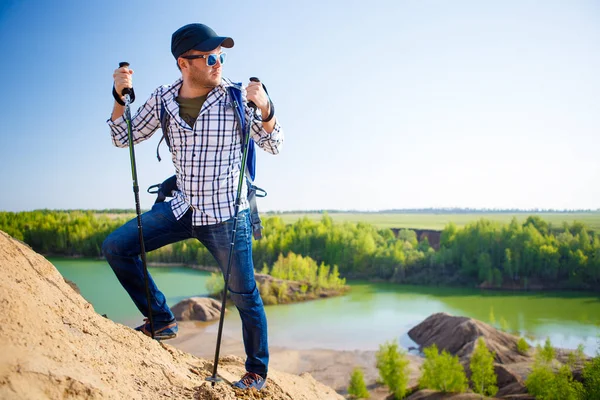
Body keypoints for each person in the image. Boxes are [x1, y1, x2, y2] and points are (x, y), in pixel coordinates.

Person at [102, 23, 283, 391]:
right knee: (116, 247)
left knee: (245, 297)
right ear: (185, 63)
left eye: (221, 56)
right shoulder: (163, 98)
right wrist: (120, 97)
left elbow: (273, 144)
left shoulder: (236, 97)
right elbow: (123, 137)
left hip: (226, 218)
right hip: (181, 207)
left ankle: (256, 372)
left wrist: (266, 107)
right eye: (210, 57)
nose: (218, 63)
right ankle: (161, 319)